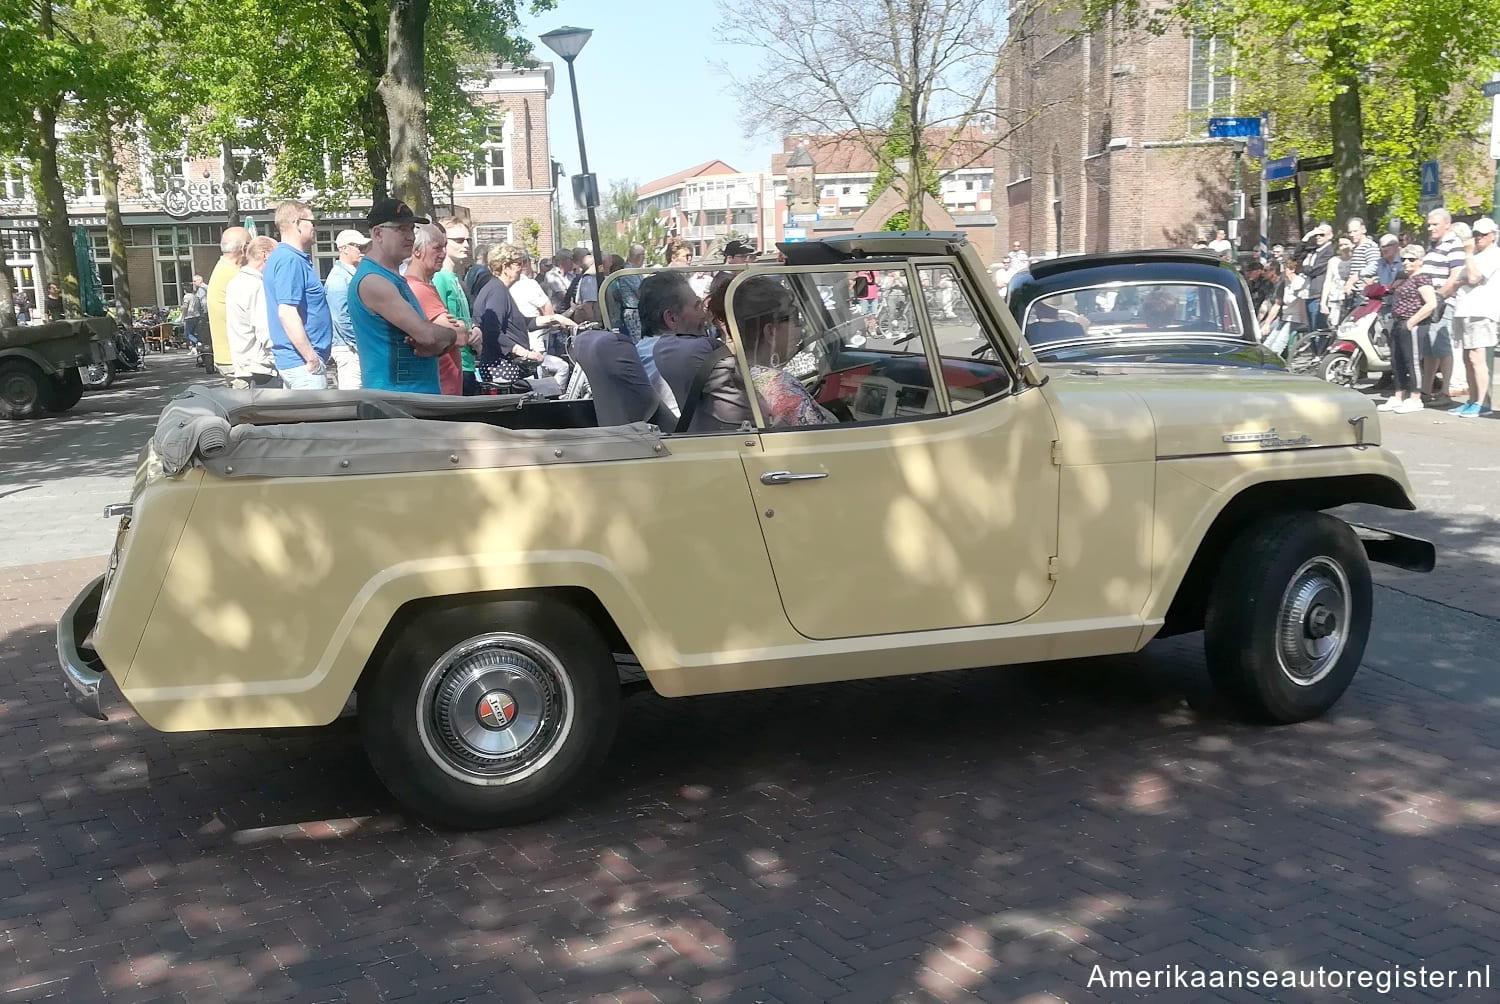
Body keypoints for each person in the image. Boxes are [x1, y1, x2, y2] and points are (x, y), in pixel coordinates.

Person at [347, 199, 459, 394]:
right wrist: (452, 335)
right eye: (401, 229)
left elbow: (431, 339)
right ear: (378, 233)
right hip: (398, 405)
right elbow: (428, 336)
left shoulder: (392, 278)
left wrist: (443, 340)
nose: (409, 237)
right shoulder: (374, 281)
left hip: (409, 402)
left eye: (411, 229)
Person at [730, 275, 834, 427]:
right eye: (794, 318)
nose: (800, 328)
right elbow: (823, 441)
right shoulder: (782, 387)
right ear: (771, 332)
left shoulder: (732, 370)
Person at [472, 244, 571, 390]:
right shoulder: (497, 291)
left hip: (501, 365)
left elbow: (521, 322)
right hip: (501, 367)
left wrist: (555, 319)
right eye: (518, 264)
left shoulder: (497, 288)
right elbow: (492, 331)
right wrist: (525, 353)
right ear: (505, 267)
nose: (523, 267)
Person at [264, 199, 334, 389]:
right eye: (311, 222)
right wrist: (311, 358)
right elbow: (287, 313)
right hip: (302, 364)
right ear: (297, 223)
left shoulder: (285, 257)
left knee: (300, 418)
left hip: (297, 362)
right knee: (314, 418)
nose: (315, 227)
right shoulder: (290, 260)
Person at [405, 223, 479, 395]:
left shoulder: (425, 286)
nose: (443, 253)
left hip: (445, 388)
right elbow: (459, 336)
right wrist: (459, 326)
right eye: (437, 248)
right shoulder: (419, 289)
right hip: (441, 392)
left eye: (444, 247)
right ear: (417, 251)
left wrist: (456, 326)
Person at [634, 271, 719, 420]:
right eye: (697, 307)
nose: (704, 315)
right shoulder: (685, 358)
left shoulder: (639, 351)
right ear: (672, 318)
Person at [1449, 216, 1500, 416]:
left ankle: (1482, 403)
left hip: (1481, 311)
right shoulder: (1475, 256)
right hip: (1464, 309)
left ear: (1493, 236)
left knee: (1477, 357)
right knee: (1466, 358)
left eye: (1482, 234)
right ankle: (1471, 400)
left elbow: (1472, 277)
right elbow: (1457, 281)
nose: (1478, 238)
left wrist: (1468, 255)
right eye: (1475, 234)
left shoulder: (1494, 255)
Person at [1418, 208, 1466, 401]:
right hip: (1429, 303)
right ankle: (1426, 390)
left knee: (1441, 347)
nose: (1430, 228)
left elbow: (1455, 277)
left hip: (1443, 303)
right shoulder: (1433, 245)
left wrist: (1438, 298)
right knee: (1429, 349)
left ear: (1447, 224)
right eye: (1429, 224)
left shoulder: (1453, 245)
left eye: (1435, 224)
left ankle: (1445, 392)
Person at [1383, 244, 1435, 414]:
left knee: (1411, 361)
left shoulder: (1422, 278)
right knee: (1397, 361)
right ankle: (1398, 396)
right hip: (1398, 322)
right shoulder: (1404, 278)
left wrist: (1411, 322)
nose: (1406, 262)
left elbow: (1431, 303)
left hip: (1412, 323)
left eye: (1411, 259)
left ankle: (1415, 397)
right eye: (1404, 259)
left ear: (1420, 261)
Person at [224, 236, 281, 388]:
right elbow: (265, 330)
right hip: (262, 369)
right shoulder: (257, 286)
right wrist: (283, 360)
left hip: (244, 364)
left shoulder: (235, 282)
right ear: (265, 255)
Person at [434, 217, 479, 394]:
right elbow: (439, 321)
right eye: (459, 240)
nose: (466, 245)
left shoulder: (457, 279)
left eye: (468, 240)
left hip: (466, 362)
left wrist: (476, 329)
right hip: (450, 364)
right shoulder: (439, 278)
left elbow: (465, 317)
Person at [323, 229, 371, 389]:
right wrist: (360, 345)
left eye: (365, 247)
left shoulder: (351, 275)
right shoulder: (338, 278)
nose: (363, 251)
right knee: (353, 396)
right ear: (344, 249)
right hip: (348, 349)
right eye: (359, 247)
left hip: (352, 347)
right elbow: (340, 318)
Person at [207, 227, 249, 377]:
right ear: (244, 248)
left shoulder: (221, 269)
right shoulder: (236, 276)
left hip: (226, 355)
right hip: (238, 359)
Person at [607, 243, 647, 340]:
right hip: (632, 311)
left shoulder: (635, 271)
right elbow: (639, 293)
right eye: (643, 255)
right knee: (636, 340)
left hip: (636, 310)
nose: (644, 258)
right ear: (638, 256)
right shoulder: (629, 272)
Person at [1299, 224, 1335, 331]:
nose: (1318, 237)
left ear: (1330, 235)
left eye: (1322, 234)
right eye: (1316, 234)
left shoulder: (1329, 252)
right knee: (1311, 331)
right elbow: (1296, 255)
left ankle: (1320, 348)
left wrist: (1305, 266)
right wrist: (1307, 236)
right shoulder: (1314, 250)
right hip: (1309, 293)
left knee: (1318, 330)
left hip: (1318, 295)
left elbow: (1314, 270)